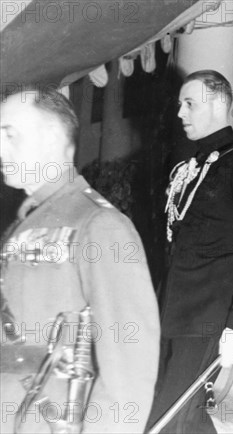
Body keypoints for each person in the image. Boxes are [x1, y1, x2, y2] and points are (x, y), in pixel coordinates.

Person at [0, 88, 160, 433]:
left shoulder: (99, 225)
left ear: (52, 137)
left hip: (49, 421)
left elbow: (129, 368)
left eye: (9, 134)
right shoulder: (26, 223)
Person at [145, 70, 233, 433]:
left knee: (169, 417)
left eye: (190, 104)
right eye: (179, 105)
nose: (180, 113)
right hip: (176, 311)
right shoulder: (187, 168)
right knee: (184, 417)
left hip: (211, 316)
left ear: (219, 104)